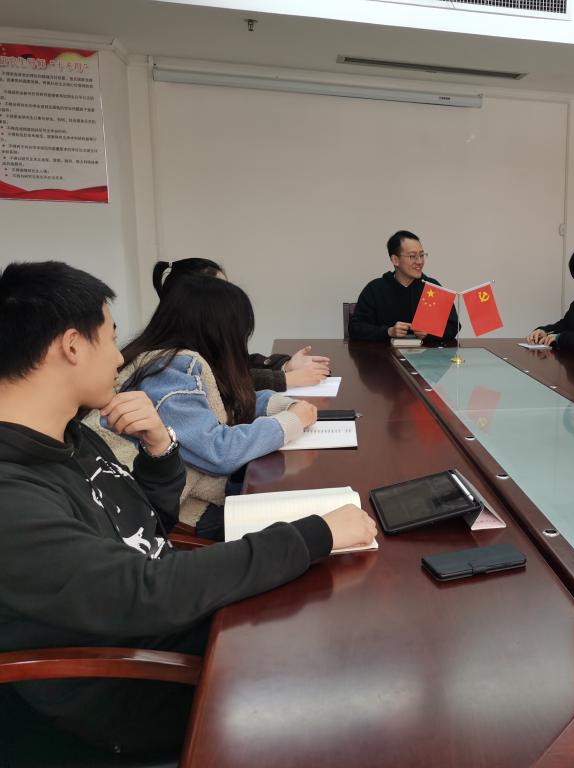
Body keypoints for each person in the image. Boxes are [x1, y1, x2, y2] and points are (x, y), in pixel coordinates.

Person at [0, 261, 377, 756]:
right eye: (110, 338)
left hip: (178, 623)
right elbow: (142, 590)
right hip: (136, 686)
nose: (119, 356)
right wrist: (313, 535)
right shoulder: (12, 492)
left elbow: (148, 531)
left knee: (353, 620)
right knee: (355, 679)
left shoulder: (71, 435)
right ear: (72, 346)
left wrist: (159, 450)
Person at [87, 275, 315, 540]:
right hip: (182, 514)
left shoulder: (173, 360)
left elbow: (230, 404)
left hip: (177, 501)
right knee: (302, 522)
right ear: (220, 331)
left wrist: (282, 406)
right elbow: (219, 452)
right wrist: (290, 422)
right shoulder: (171, 371)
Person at [153, 258, 330, 391]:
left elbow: (239, 364)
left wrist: (286, 366)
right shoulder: (175, 361)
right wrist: (287, 379)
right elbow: (220, 382)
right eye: (221, 291)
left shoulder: (201, 335)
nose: (229, 296)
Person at [348, 230, 459, 342]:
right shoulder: (375, 289)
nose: (419, 261)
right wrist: (388, 331)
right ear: (395, 260)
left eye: (421, 255)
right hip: (384, 352)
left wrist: (429, 333)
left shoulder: (432, 288)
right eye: (413, 256)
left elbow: (453, 326)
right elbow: (355, 328)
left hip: (425, 352)